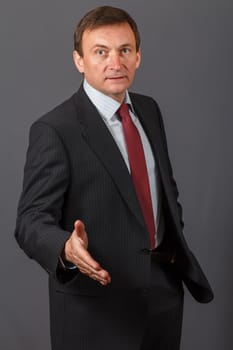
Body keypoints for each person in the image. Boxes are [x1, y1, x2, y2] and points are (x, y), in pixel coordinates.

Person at [15, 6, 213, 350]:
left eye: (124, 50)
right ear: (79, 60)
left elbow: (163, 190)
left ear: (138, 56)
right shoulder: (55, 129)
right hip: (95, 308)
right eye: (101, 52)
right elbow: (30, 221)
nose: (115, 63)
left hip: (163, 296)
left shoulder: (149, 111)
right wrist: (64, 246)